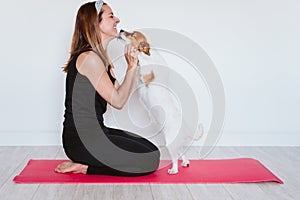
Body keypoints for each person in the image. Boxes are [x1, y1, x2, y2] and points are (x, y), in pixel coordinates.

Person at [55, 1, 160, 176]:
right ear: (96, 23)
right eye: (111, 16)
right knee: (149, 161)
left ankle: (88, 162)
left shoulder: (101, 60)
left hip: (97, 132)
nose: (117, 20)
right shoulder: (89, 58)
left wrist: (132, 66)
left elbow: (120, 96)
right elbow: (118, 102)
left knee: (152, 152)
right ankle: (86, 167)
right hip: (81, 141)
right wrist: (131, 68)